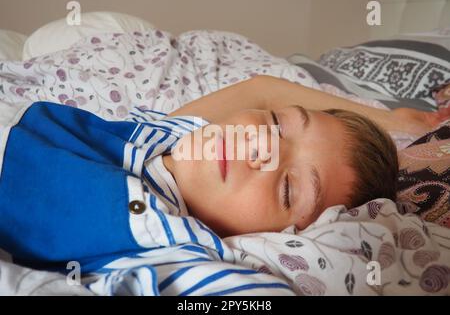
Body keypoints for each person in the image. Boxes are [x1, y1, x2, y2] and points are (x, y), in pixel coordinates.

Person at [0, 75, 447, 272]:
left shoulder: (174, 242)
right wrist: (394, 118)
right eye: (276, 126)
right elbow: (258, 88)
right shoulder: (180, 135)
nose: (261, 150)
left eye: (289, 188)